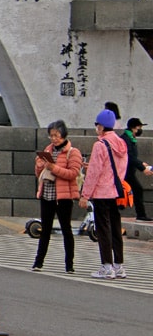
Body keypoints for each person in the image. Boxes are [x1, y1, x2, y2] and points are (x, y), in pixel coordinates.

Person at [80, 109, 128, 279]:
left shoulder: (100, 145)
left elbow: (94, 173)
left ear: (100, 126)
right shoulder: (122, 144)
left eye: (97, 125)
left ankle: (107, 267)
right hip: (116, 192)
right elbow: (118, 169)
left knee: (103, 229)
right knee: (115, 228)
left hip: (101, 193)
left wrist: (85, 195)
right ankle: (119, 266)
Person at [32, 120, 82, 272]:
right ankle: (38, 262)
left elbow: (73, 173)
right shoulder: (48, 149)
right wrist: (40, 165)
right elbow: (39, 174)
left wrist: (54, 168)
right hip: (47, 194)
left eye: (57, 135)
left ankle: (69, 264)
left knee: (66, 229)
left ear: (64, 135)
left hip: (64, 197)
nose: (54, 139)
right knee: (45, 229)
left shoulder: (73, 152)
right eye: (51, 136)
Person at [121, 117, 153, 221]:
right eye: (139, 127)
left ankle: (141, 215)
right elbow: (129, 157)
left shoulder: (130, 138)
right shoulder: (126, 139)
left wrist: (141, 163)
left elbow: (132, 157)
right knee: (137, 190)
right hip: (125, 172)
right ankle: (141, 215)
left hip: (129, 172)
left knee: (134, 190)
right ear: (133, 128)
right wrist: (142, 168)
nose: (140, 129)